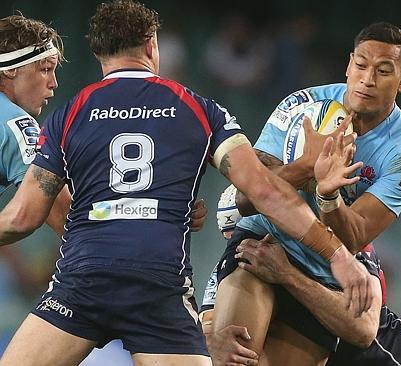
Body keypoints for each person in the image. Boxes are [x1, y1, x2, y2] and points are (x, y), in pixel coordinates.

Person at [0, 1, 373, 365]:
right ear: (151, 45)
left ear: (99, 52)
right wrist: (337, 256)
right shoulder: (198, 108)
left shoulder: (68, 114)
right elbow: (265, 191)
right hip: (157, 288)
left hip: (82, 281)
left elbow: (22, 218)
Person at [209, 22, 401, 365]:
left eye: (383, 71)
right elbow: (245, 199)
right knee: (234, 358)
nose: (367, 79)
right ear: (348, 64)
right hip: (262, 246)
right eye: (360, 65)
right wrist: (304, 168)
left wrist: (328, 195)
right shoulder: (301, 105)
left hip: (326, 272)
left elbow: (353, 238)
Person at [202, 186, 401, 366]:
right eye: (234, 236)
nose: (254, 241)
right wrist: (207, 344)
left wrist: (288, 275)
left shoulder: (339, 244)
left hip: (396, 356)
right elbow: (211, 330)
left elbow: (364, 328)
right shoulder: (240, 266)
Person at [0, 14, 71, 236]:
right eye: (45, 69)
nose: (54, 83)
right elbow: (64, 217)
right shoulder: (15, 122)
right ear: (10, 69)